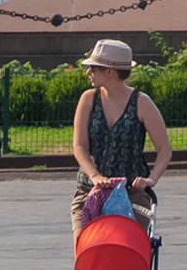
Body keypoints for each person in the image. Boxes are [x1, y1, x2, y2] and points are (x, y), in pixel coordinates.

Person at [70, 39, 171, 244]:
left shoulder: (141, 102)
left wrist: (151, 179)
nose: (88, 72)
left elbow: (164, 148)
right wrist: (95, 176)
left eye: (93, 68)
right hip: (90, 190)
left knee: (127, 250)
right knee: (86, 249)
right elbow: (79, 146)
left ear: (110, 71)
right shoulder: (88, 99)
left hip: (130, 192)